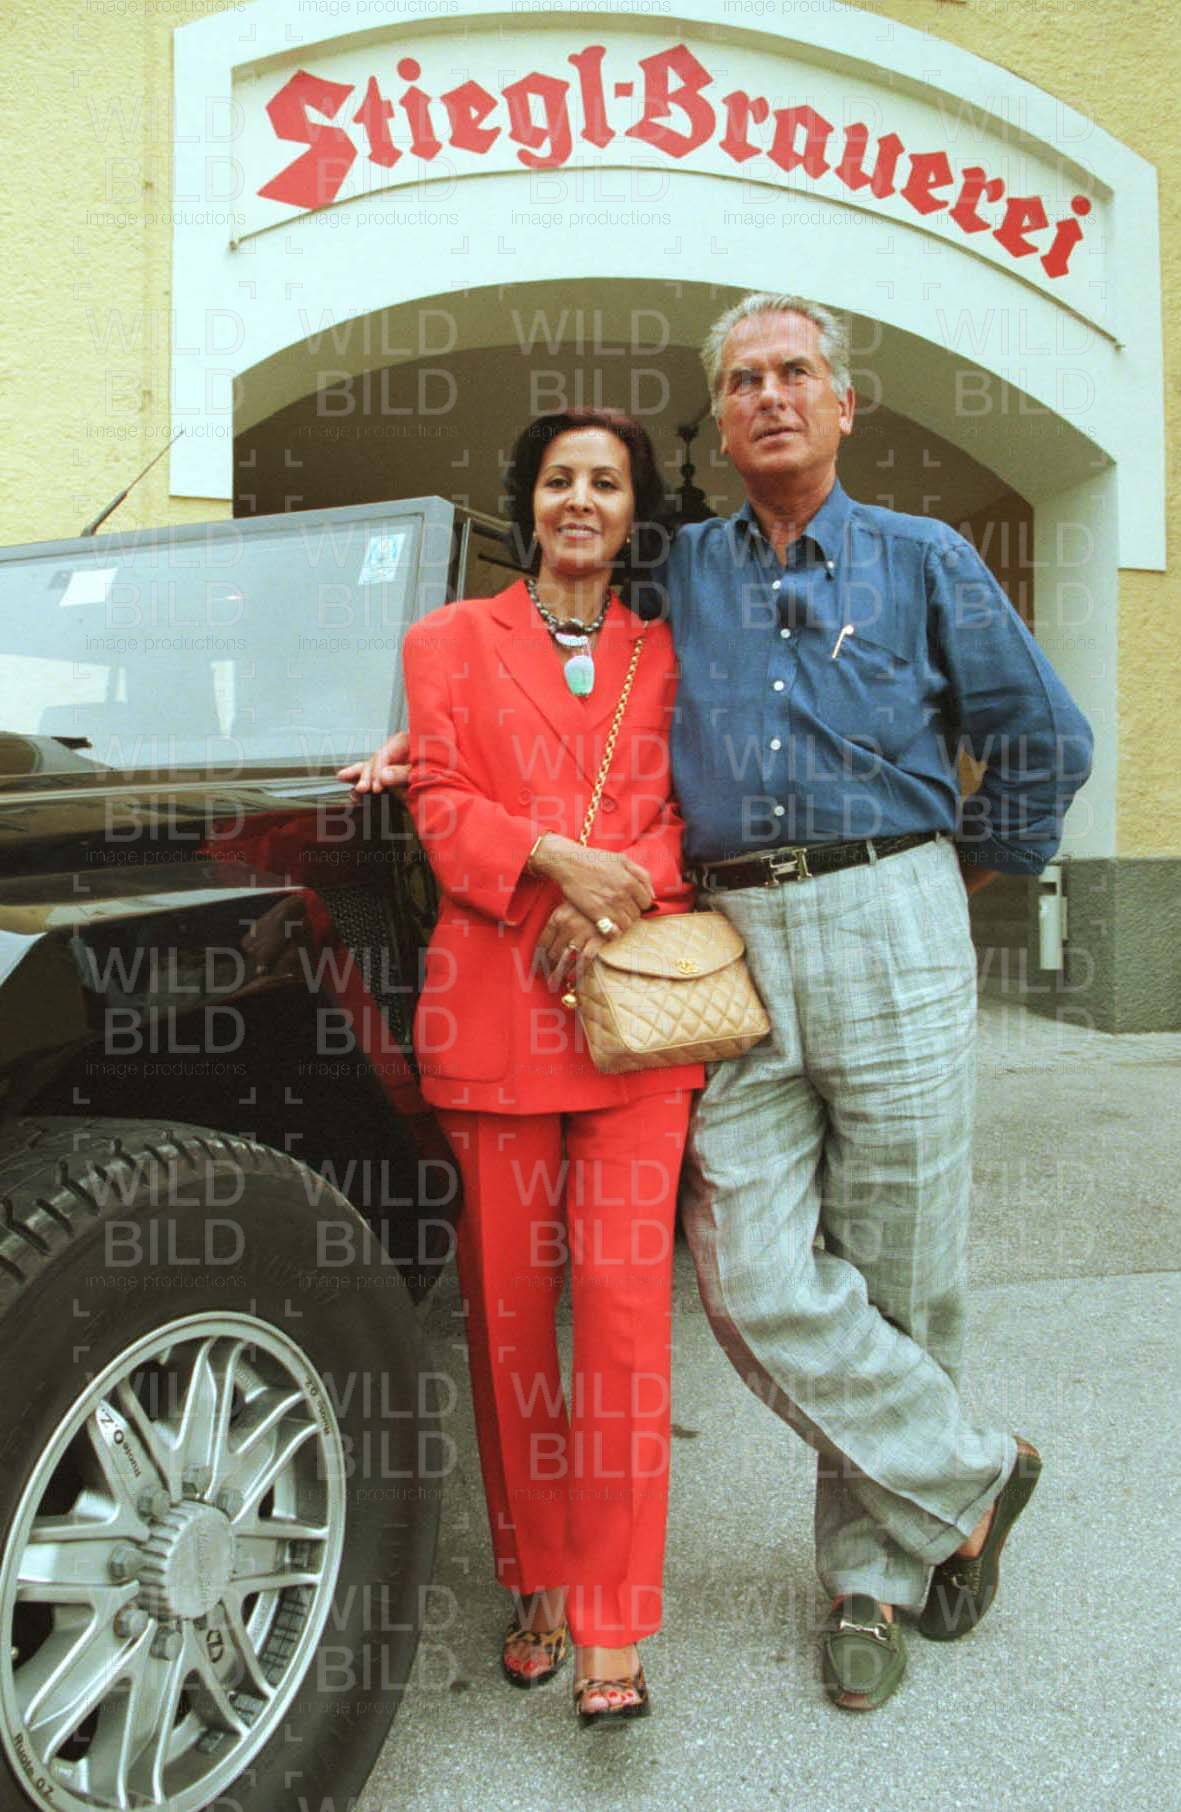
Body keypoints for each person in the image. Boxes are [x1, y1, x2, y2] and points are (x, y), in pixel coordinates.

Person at [344, 294, 1093, 1711]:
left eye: (796, 374)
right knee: (746, 1271)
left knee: (898, 1263)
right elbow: (544, 659)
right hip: (725, 937)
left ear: (843, 404)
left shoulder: (924, 557)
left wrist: (960, 876)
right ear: (724, 418)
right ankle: (968, 1477)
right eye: (743, 380)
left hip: (891, 907)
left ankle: (871, 1575)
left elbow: (1044, 736)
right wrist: (415, 739)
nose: (770, 397)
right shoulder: (682, 567)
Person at [355, 407, 703, 1727]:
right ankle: (536, 1579)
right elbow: (442, 804)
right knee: (510, 1327)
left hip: (632, 1026)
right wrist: (558, 862)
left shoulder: (669, 652)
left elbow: (695, 813)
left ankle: (614, 1619)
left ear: (632, 512)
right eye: (559, 478)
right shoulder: (446, 640)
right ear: (526, 500)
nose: (580, 501)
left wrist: (621, 891)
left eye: (605, 483)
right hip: (496, 1017)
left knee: (624, 1326)